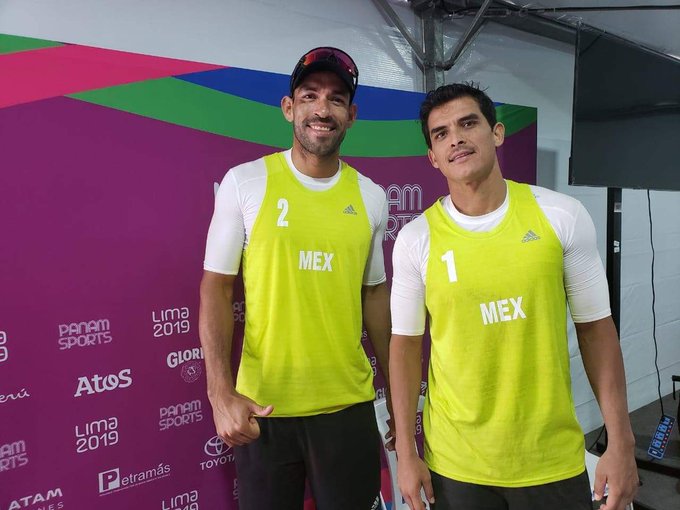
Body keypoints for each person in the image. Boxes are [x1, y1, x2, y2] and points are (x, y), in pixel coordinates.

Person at [389, 83, 638, 510]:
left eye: (469, 123)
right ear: (433, 157)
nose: (457, 139)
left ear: (497, 133)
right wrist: (407, 457)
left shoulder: (560, 216)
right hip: (457, 464)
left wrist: (622, 441)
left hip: (549, 458)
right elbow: (406, 348)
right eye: (441, 133)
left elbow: (597, 332)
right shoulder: (416, 239)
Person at [199, 47, 392, 510]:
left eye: (336, 99)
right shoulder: (245, 183)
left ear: (352, 115)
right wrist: (220, 392)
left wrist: (402, 390)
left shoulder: (371, 197)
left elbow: (373, 295)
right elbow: (215, 288)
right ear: (290, 108)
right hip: (265, 410)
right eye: (310, 96)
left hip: (346, 409)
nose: (322, 109)